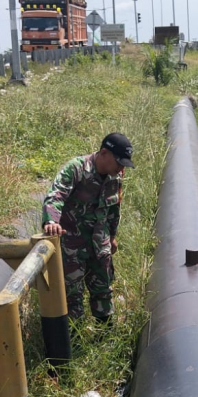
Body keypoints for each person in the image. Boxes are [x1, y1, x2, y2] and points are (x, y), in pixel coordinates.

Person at [41, 133, 135, 323]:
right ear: (103, 153)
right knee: (72, 294)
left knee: (103, 288)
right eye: (118, 162)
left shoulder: (115, 176)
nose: (121, 167)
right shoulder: (76, 169)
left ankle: (105, 334)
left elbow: (113, 209)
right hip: (72, 245)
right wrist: (52, 222)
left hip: (100, 243)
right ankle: (74, 340)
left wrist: (112, 236)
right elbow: (56, 196)